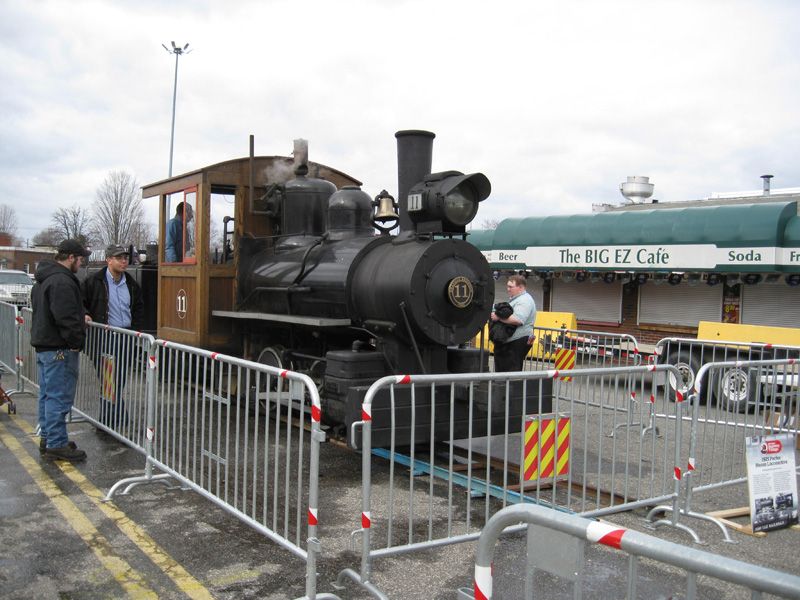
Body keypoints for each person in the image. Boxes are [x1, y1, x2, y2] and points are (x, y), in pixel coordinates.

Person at [31, 238, 91, 462]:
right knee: (59, 396)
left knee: (47, 395)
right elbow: (64, 316)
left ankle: (49, 437)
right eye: (80, 258)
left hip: (45, 346)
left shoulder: (44, 279)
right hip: (59, 348)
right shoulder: (62, 281)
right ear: (71, 257)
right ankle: (56, 443)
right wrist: (76, 341)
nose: (82, 263)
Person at [82, 244, 145, 429]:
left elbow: (139, 308)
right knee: (109, 379)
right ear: (108, 260)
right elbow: (80, 301)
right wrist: (84, 313)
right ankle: (113, 420)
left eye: (126, 258)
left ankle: (109, 419)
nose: (124, 261)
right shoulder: (94, 281)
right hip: (104, 338)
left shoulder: (132, 284)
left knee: (119, 379)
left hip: (126, 337)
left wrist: (136, 331)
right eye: (119, 258)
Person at [490, 275, 537, 372]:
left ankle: (508, 387)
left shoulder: (525, 300)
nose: (508, 289)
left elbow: (518, 319)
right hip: (509, 342)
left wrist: (498, 317)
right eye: (507, 286)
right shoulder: (517, 299)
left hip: (515, 342)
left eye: (511, 287)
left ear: (520, 287)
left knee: (511, 374)